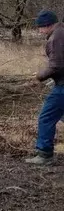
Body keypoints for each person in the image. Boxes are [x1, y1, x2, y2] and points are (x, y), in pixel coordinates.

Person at [26, 10, 64, 166]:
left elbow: (57, 66)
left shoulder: (56, 37)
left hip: (63, 87)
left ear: (48, 25)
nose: (39, 31)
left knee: (46, 117)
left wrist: (39, 76)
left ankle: (44, 154)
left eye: (40, 27)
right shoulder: (62, 33)